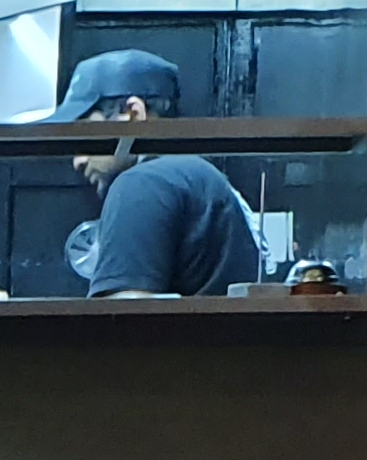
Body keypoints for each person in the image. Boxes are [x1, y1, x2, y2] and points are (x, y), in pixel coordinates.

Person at [49, 46, 262, 297]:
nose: (78, 161)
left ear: (132, 114)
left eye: (84, 135)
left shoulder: (143, 183)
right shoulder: (199, 177)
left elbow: (126, 314)